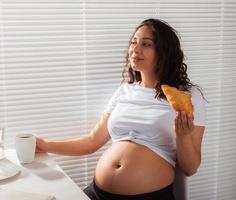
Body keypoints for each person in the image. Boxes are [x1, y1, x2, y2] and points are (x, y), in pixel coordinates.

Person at [36, 18, 206, 200]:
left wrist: (183, 136)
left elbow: (190, 168)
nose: (135, 49)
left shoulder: (187, 96)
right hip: (97, 193)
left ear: (164, 52)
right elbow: (91, 141)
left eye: (146, 44)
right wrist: (45, 145)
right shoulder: (124, 91)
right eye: (133, 42)